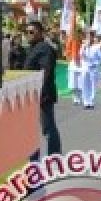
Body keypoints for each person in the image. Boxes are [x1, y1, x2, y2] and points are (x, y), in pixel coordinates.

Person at [23, 21, 61, 156]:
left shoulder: (44, 48)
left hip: (42, 94)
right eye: (27, 32)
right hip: (31, 95)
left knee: (48, 128)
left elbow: (46, 72)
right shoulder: (32, 48)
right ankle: (34, 157)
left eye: (32, 32)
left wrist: (41, 93)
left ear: (40, 33)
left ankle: (55, 157)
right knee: (32, 129)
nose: (29, 35)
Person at [81, 30, 101, 111]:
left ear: (92, 37)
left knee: (93, 86)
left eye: (90, 37)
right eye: (87, 37)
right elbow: (81, 55)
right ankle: (85, 102)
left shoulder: (97, 47)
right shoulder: (83, 46)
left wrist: (96, 63)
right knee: (84, 85)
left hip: (93, 69)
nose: (88, 38)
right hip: (85, 68)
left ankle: (91, 102)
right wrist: (84, 48)